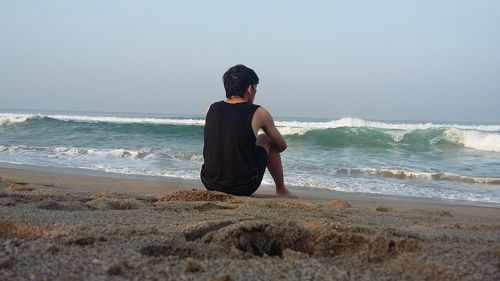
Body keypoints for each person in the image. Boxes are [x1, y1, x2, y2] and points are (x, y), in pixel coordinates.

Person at [200, 64, 296, 197]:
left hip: (209, 183)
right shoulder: (259, 112)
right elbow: (281, 146)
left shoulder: (210, 109)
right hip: (244, 186)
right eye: (255, 88)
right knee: (266, 138)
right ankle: (281, 190)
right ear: (250, 88)